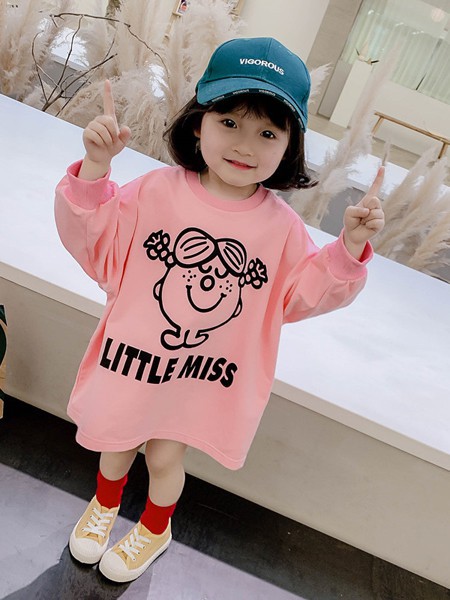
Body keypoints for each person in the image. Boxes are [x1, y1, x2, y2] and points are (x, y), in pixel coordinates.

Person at [55, 36, 385, 583]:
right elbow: (98, 245)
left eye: (268, 132)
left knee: (165, 458)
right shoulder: (155, 191)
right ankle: (104, 505)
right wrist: (95, 168)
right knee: (114, 444)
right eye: (229, 121)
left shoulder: (281, 229)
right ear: (198, 123)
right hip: (132, 360)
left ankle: (155, 528)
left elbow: (301, 295)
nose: (244, 144)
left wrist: (348, 248)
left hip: (201, 378)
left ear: (290, 146)